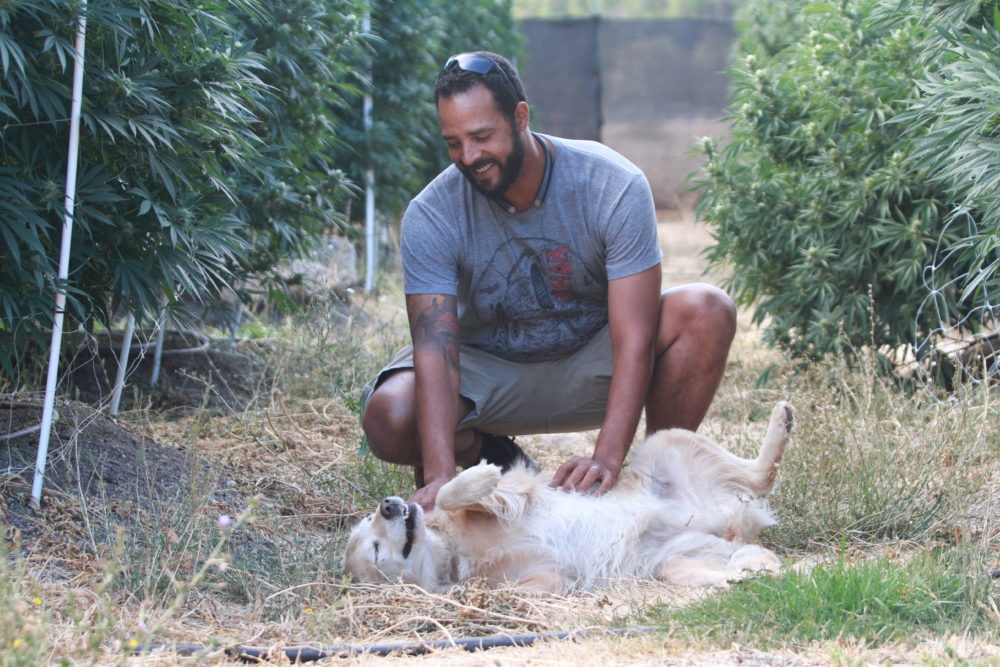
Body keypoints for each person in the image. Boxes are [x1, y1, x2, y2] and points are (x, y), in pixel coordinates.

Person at [361, 51, 736, 510]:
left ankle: (661, 484)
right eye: (453, 143)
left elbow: (635, 339)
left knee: (707, 309)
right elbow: (436, 348)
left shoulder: (612, 183)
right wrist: (441, 477)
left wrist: (607, 458)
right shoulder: (431, 213)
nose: (470, 156)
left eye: (481, 136)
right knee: (389, 416)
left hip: (593, 361)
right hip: (490, 370)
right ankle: (488, 454)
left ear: (521, 116)